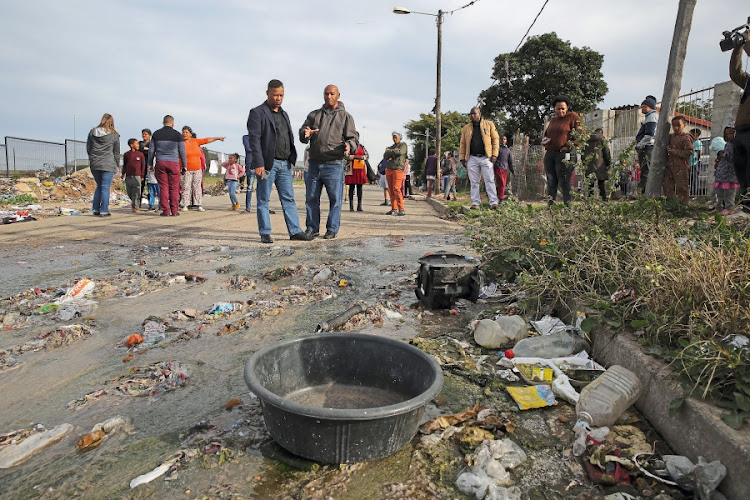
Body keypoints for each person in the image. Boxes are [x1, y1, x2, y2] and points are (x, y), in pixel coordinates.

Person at [247, 79, 311, 243]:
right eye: (275, 95)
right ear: (268, 93)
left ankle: (295, 231)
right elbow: (254, 139)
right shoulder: (257, 112)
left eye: (281, 95)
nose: (278, 98)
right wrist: (259, 163)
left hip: (285, 164)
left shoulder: (284, 114)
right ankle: (265, 232)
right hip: (268, 164)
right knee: (263, 199)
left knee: (288, 198)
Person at [299, 84, 359, 240]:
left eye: (332, 93)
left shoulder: (346, 117)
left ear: (338, 95)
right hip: (314, 163)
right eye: (326, 93)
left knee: (335, 198)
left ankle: (332, 228)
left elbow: (353, 139)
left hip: (334, 164)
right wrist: (306, 133)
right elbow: (302, 134)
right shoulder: (314, 115)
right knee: (311, 198)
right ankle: (312, 228)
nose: (329, 96)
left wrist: (348, 145)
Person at [542, 95, 580, 207]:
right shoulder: (553, 120)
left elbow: (579, 135)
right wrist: (545, 140)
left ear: (567, 107)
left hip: (566, 153)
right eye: (558, 108)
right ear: (554, 109)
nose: (561, 111)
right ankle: (551, 205)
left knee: (564, 180)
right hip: (551, 152)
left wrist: (568, 146)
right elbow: (547, 134)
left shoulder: (573, 117)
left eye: (563, 108)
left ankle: (568, 206)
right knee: (551, 180)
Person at [459, 107, 500, 209]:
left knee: (489, 180)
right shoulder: (466, 128)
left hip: (486, 157)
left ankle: (493, 202)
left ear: (480, 114)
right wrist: (462, 158)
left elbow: (495, 140)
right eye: (471, 114)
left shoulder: (489, 124)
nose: (473, 116)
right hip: (472, 157)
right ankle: (475, 203)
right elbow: (463, 144)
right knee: (474, 182)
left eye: (475, 114)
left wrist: (494, 154)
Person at [149, 115, 187, 217]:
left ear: (163, 122)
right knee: (174, 187)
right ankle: (174, 211)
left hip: (161, 162)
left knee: (163, 187)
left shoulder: (156, 134)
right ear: (173, 123)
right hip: (174, 163)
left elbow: (151, 150)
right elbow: (182, 151)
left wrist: (150, 164)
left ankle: (165, 211)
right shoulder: (178, 135)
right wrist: (184, 165)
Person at [179, 126, 224, 212]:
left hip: (197, 169)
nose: (184, 134)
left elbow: (206, 140)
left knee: (197, 187)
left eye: (186, 132)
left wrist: (217, 138)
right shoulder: (180, 143)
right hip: (186, 169)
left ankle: (199, 204)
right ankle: (185, 205)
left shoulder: (195, 141)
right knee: (186, 187)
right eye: (183, 132)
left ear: (190, 134)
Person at [86, 113, 120, 217]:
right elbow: (116, 152)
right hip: (108, 164)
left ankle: (96, 209)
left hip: (95, 163)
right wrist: (116, 165)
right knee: (105, 187)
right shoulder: (114, 135)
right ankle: (104, 210)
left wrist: (92, 158)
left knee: (99, 186)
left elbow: (88, 147)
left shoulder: (92, 132)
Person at [729, 40, 750, 207]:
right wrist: (738, 48)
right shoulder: (749, 82)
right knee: (741, 171)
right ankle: (745, 206)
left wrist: (748, 42)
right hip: (741, 131)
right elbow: (735, 73)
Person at [664, 116, 693, 202]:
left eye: (678, 125)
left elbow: (689, 151)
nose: (676, 128)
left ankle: (683, 205)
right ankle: (671, 203)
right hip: (670, 165)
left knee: (682, 187)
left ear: (684, 125)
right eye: (674, 126)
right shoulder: (671, 137)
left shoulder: (685, 138)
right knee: (668, 185)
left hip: (681, 166)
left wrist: (675, 152)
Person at [712, 126, 739, 214]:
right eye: (727, 134)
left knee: (729, 192)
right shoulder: (728, 144)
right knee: (719, 191)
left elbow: (733, 157)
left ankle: (729, 207)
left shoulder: (737, 145)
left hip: (730, 173)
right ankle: (719, 207)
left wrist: (724, 155)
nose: (729, 136)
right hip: (722, 172)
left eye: (731, 133)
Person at [635, 95, 658, 194]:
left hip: (647, 147)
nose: (642, 109)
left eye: (644, 107)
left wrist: (640, 144)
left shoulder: (652, 117)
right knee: (645, 170)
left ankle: (644, 192)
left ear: (650, 107)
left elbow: (649, 134)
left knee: (646, 170)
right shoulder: (649, 117)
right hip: (646, 146)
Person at [583, 128, 612, 201]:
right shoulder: (602, 139)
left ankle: (590, 199)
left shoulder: (587, 139)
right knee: (601, 183)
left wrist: (584, 163)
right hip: (600, 164)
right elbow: (606, 152)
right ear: (601, 132)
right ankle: (604, 199)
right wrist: (608, 162)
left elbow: (582, 152)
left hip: (588, 163)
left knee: (590, 184)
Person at [383, 132, 407, 215]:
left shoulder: (403, 145)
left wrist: (390, 152)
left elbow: (400, 152)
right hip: (389, 169)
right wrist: (393, 151)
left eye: (396, 137)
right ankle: (394, 208)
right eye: (393, 137)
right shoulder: (392, 147)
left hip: (398, 169)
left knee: (396, 189)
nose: (394, 139)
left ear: (400, 137)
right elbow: (385, 156)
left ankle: (401, 209)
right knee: (391, 190)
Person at [122, 138, 146, 212]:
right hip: (129, 175)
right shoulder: (126, 154)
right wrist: (123, 173)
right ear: (132, 145)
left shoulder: (140, 154)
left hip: (137, 175)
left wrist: (142, 175)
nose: (138, 145)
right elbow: (125, 165)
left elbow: (143, 165)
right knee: (129, 191)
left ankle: (135, 206)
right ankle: (134, 203)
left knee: (136, 191)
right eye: (137, 143)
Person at [345, 144, 368, 212]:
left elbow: (367, 156)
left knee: (359, 187)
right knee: (351, 187)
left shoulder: (362, 147)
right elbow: (346, 156)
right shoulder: (349, 146)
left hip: (360, 168)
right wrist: (355, 157)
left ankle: (359, 205)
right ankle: (351, 206)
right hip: (352, 168)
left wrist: (362, 157)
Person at [493, 135, 514, 202]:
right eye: (502, 139)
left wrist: (512, 171)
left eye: (504, 139)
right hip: (498, 167)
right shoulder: (498, 148)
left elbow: (510, 161)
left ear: (506, 140)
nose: (503, 140)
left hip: (504, 169)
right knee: (501, 183)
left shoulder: (508, 151)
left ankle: (495, 194)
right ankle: (501, 198)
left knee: (502, 184)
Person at [241, 134, 255, 213]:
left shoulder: (262, 137)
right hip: (250, 164)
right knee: (250, 187)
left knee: (264, 187)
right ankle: (248, 207)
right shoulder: (246, 137)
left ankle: (265, 207)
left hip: (262, 163)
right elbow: (248, 148)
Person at [139, 128, 152, 198]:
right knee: (141, 183)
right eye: (143, 134)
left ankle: (150, 201)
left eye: (145, 134)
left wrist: (148, 150)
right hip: (141, 165)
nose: (144, 135)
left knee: (150, 183)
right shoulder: (140, 143)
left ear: (149, 135)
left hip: (149, 165)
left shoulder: (152, 144)